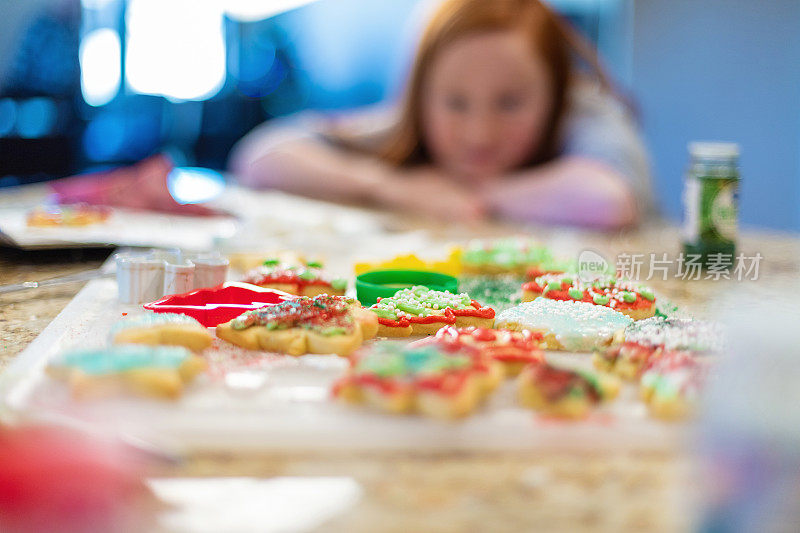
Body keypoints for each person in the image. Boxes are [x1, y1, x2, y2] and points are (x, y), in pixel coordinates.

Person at [229, 0, 651, 229]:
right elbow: (259, 157)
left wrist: (472, 193)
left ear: (557, 92)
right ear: (418, 96)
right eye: (455, 103)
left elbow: (609, 201)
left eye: (510, 103)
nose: (479, 133)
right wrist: (391, 185)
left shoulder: (584, 111)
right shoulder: (405, 124)